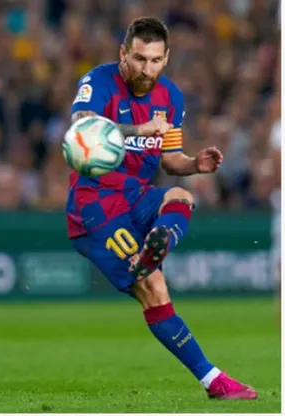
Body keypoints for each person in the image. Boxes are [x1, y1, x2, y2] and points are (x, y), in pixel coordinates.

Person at [68, 16, 256, 400]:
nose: (146, 69)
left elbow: (170, 158)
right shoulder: (98, 81)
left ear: (166, 58)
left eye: (155, 61)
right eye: (138, 59)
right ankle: (214, 381)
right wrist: (138, 131)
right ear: (124, 53)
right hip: (95, 209)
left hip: (136, 195)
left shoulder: (171, 97)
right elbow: (81, 127)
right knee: (153, 287)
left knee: (183, 195)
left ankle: (157, 246)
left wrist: (194, 165)